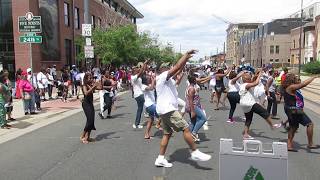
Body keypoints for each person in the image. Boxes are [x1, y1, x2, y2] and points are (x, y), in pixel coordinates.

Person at [154, 50, 211, 168]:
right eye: (167, 66)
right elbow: (177, 67)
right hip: (168, 110)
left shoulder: (166, 79)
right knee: (186, 128)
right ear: (161, 69)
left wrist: (185, 60)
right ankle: (195, 152)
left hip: (164, 110)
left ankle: (160, 158)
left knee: (167, 134)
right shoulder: (162, 76)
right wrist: (185, 55)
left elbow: (179, 69)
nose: (169, 67)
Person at [239, 71, 281, 140]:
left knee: (248, 119)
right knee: (264, 112)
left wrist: (256, 75)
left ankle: (246, 134)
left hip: (243, 104)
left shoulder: (242, 85)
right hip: (249, 103)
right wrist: (259, 76)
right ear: (247, 80)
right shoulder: (246, 85)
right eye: (249, 78)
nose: (250, 79)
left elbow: (253, 81)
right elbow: (256, 83)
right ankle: (272, 125)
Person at [282, 74, 319, 151]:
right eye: (295, 78)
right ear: (292, 80)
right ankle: (310, 144)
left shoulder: (288, 88)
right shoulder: (291, 87)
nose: (297, 79)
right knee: (310, 124)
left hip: (290, 109)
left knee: (293, 127)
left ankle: (289, 145)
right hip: (294, 110)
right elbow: (303, 84)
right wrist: (313, 77)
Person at [185, 73, 208, 142]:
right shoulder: (192, 89)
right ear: (194, 81)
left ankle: (189, 136)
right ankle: (194, 133)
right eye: (196, 80)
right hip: (193, 107)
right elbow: (191, 100)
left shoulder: (189, 87)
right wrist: (192, 111)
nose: (197, 81)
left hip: (192, 106)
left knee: (193, 122)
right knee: (203, 118)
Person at [80, 72, 100, 144]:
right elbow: (86, 93)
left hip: (90, 103)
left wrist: (100, 82)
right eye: (90, 78)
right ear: (86, 79)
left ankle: (87, 137)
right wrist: (94, 86)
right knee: (89, 120)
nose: (91, 79)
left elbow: (100, 88)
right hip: (86, 104)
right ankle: (82, 136)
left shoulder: (91, 85)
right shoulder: (84, 85)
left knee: (92, 120)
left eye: (92, 77)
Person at [131, 61, 147, 129]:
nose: (138, 69)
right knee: (141, 109)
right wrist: (144, 63)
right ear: (134, 70)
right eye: (136, 68)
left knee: (140, 109)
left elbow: (143, 70)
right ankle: (136, 124)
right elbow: (141, 71)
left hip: (139, 94)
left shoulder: (137, 76)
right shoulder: (133, 77)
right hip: (139, 95)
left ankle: (136, 123)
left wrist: (145, 64)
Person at [141, 74, 157, 139]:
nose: (149, 79)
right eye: (148, 78)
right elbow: (151, 88)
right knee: (163, 114)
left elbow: (155, 87)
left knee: (151, 120)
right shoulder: (143, 86)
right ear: (145, 80)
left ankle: (146, 134)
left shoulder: (150, 84)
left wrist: (154, 80)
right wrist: (153, 80)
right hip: (149, 105)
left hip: (152, 104)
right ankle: (167, 130)